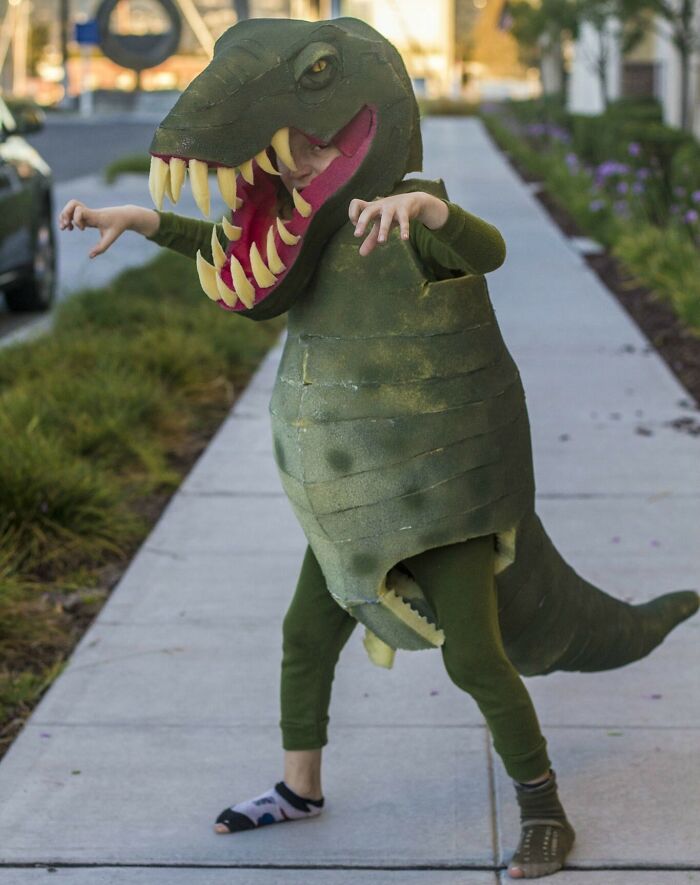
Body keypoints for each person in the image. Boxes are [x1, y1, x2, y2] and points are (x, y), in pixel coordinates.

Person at [59, 126, 576, 880]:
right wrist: (143, 220)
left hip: (437, 493)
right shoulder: (302, 226)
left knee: (474, 658)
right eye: (287, 154)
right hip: (359, 500)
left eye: (312, 148)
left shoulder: (407, 206)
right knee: (305, 634)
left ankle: (545, 811)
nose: (298, 165)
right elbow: (231, 254)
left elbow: (486, 252)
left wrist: (431, 212)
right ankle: (299, 789)